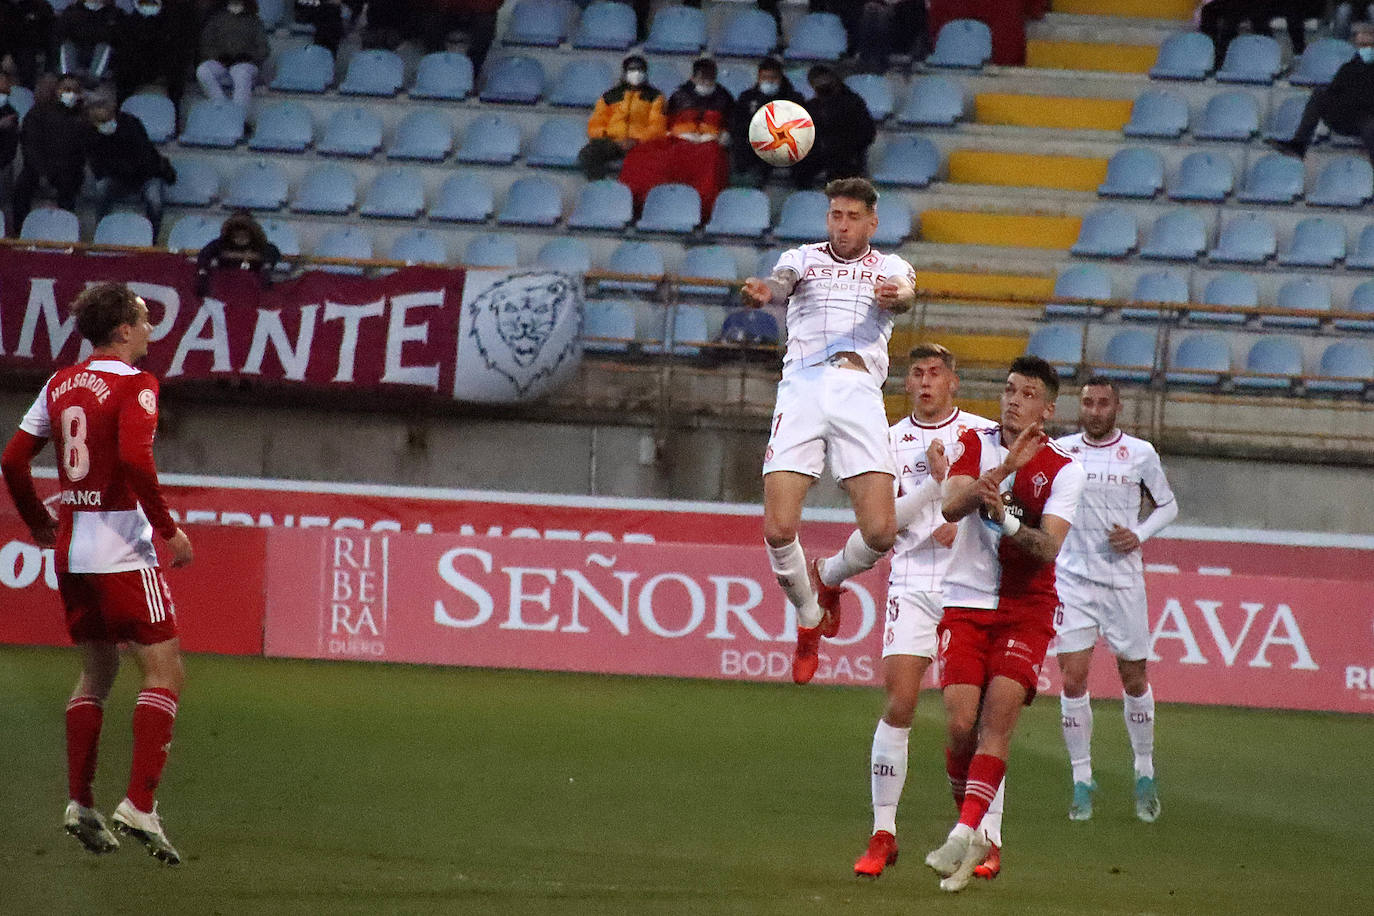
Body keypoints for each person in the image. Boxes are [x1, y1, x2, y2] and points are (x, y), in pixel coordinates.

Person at [1, 282, 193, 866]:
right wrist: (167, 529)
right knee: (165, 670)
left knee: (98, 669)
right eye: (144, 318)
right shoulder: (137, 385)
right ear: (123, 330)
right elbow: (136, 459)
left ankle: (80, 802)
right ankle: (139, 802)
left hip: (72, 548)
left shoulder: (60, 383)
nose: (151, 328)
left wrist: (37, 521)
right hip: (120, 545)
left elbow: (11, 459)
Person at [738, 176, 914, 684]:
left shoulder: (890, 267)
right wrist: (765, 291)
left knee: (881, 532)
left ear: (872, 222)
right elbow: (782, 282)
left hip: (859, 392)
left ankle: (829, 575)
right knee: (777, 528)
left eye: (852, 216)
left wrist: (894, 296)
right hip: (802, 390)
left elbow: (903, 296)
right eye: (836, 215)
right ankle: (809, 619)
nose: (842, 225)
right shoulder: (804, 257)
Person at [841, 344, 1004, 880]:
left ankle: (986, 836)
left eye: (937, 373)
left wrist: (964, 518)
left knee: (971, 721)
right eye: (918, 374)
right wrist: (933, 502)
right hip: (911, 580)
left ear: (954, 383)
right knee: (900, 703)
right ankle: (883, 832)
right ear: (906, 385)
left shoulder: (982, 435)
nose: (927, 381)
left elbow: (1006, 499)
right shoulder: (887, 442)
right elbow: (881, 518)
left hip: (970, 585)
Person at [923, 354, 1085, 894]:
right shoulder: (974, 440)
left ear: (1048, 407)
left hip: (1025, 608)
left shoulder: (1066, 468)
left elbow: (1047, 547)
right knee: (957, 725)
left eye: (1027, 392)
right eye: (1009, 388)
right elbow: (949, 506)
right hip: (966, 602)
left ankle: (964, 831)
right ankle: (971, 833)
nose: (1013, 399)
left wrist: (1008, 517)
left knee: (997, 722)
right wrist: (1003, 472)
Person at [1050, 377, 1177, 823]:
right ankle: (1082, 778)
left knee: (1134, 678)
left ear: (1116, 408)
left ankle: (1144, 769)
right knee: (1072, 679)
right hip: (1072, 581)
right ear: (1079, 407)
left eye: (1103, 403)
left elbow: (1168, 506)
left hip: (1123, 582)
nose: (1095, 410)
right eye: (1088, 402)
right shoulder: (1061, 450)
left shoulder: (1140, 453)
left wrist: (1138, 534)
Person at [1267, 21, 1374, 163]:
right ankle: (1298, 146)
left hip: (1368, 119)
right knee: (1320, 95)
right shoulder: (1349, 67)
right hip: (1348, 116)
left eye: (1368, 45)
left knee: (1370, 123)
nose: (1364, 49)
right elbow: (1334, 92)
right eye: (1361, 46)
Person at [83, 89, 176, 236]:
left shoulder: (131, 123)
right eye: (94, 107)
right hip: (117, 177)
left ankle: (152, 239)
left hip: (146, 175)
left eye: (102, 106)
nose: (99, 110)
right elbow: (98, 166)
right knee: (101, 188)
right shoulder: (89, 132)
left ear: (112, 106)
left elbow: (145, 157)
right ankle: (101, 233)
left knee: (155, 199)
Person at [11, 73, 88, 232]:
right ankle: (19, 233)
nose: (70, 93)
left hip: (68, 170)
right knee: (21, 188)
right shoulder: (37, 113)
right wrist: (42, 172)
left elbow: (82, 152)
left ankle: (65, 233)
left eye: (74, 90)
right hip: (38, 167)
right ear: (57, 90)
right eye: (66, 89)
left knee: (68, 187)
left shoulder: (83, 118)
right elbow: (30, 145)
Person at [577, 54, 666, 181]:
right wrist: (613, 139)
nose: (636, 73)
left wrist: (636, 140)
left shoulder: (655, 97)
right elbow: (595, 125)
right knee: (588, 154)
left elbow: (658, 127)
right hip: (613, 142)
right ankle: (600, 188)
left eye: (640, 70)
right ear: (624, 73)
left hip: (641, 144)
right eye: (632, 70)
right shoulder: (610, 96)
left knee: (654, 160)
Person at [791, 65, 875, 190]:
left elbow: (867, 133)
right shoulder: (813, 106)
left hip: (846, 154)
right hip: (820, 153)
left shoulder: (852, 103)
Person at [729, 57, 804, 188]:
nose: (769, 81)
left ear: (781, 78)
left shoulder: (793, 98)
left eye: (773, 77)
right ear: (758, 78)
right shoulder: (747, 97)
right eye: (765, 77)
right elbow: (738, 123)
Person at [113, 0, 199, 114]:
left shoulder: (176, 18)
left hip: (166, 68)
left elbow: (180, 49)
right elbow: (124, 50)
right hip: (136, 70)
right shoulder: (128, 21)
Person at [195, 0, 269, 110]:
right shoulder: (216, 19)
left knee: (239, 72)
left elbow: (264, 49)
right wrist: (219, 56)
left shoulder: (254, 21)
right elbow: (206, 45)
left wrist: (248, 56)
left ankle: (238, 115)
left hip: (246, 66)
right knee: (203, 70)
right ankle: (221, 106)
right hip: (222, 65)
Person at [194, 208, 281, 296]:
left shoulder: (261, 245)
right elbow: (204, 256)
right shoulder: (220, 244)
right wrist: (203, 273)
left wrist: (265, 265)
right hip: (226, 285)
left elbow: (274, 254)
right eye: (237, 228)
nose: (241, 232)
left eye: (245, 228)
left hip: (252, 287)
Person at [55, 0, 125, 82]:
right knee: (67, 46)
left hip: (102, 57)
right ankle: (67, 79)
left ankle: (93, 80)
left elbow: (116, 38)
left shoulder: (116, 14)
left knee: (104, 47)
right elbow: (60, 34)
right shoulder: (72, 11)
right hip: (78, 53)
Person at [0, 0, 56, 88]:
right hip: (6, 56)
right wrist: (6, 55)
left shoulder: (40, 7)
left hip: (32, 56)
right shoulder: (3, 8)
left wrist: (48, 66)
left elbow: (51, 39)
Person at [0, 71, 19, 233]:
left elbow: (11, 144)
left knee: (5, 204)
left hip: (3, 165)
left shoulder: (11, 112)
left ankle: (7, 236)